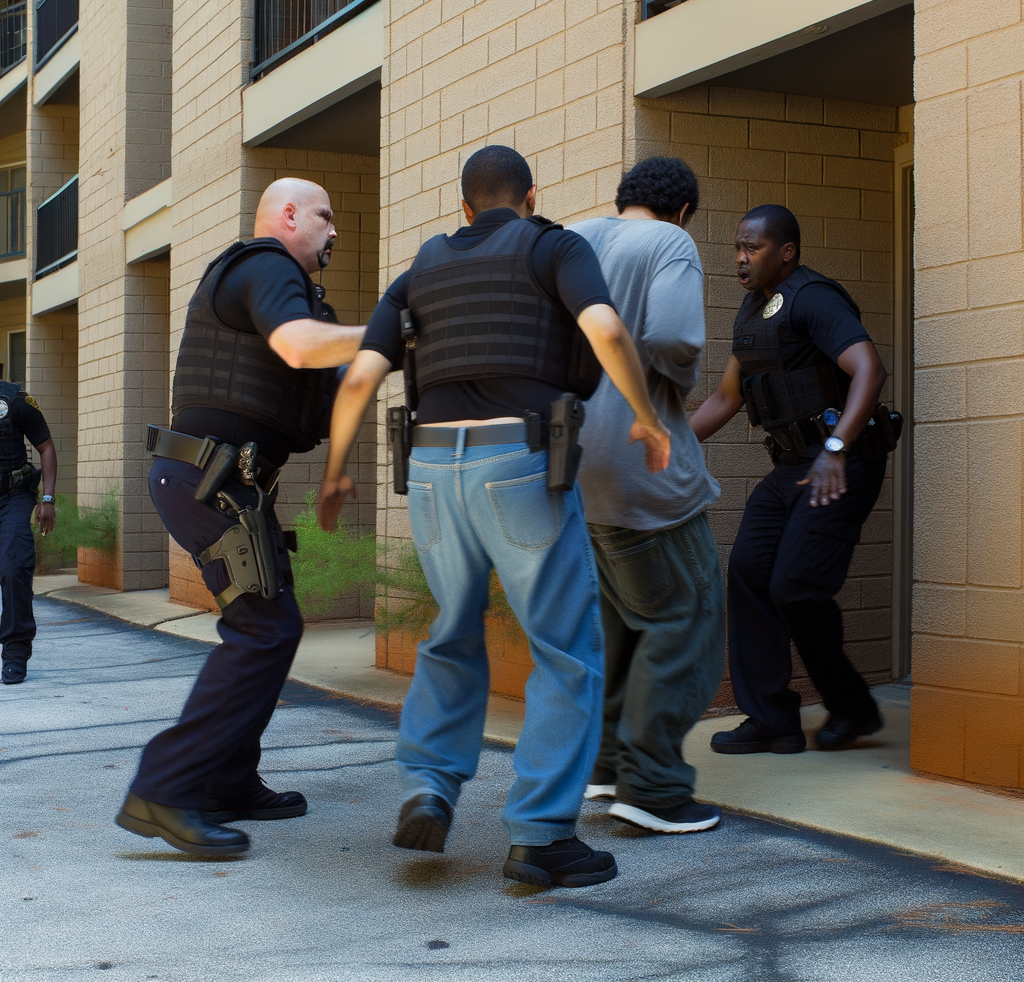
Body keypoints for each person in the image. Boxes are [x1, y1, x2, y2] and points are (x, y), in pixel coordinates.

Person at [317, 145, 671, 888]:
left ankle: (430, 784)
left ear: (465, 208)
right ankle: (541, 835)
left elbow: (360, 377)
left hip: (431, 470)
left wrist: (335, 470)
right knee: (565, 650)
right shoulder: (555, 246)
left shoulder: (422, 267)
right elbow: (604, 329)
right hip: (519, 465)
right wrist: (645, 417)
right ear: (531, 196)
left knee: (451, 630)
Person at [116, 178, 365, 856]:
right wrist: (388, 330)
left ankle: (229, 780)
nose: (334, 231)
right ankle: (162, 789)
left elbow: (341, 381)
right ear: (286, 215)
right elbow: (299, 345)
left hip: (230, 484)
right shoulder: (263, 265)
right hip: (206, 478)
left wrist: (339, 467)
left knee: (269, 626)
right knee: (263, 627)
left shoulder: (303, 296)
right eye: (324, 215)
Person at [689, 204, 891, 755]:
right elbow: (728, 397)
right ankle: (772, 720)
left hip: (841, 463)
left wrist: (834, 449)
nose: (740, 257)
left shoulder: (814, 297)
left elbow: (869, 368)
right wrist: (665, 442)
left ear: (787, 251)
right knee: (750, 570)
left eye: (751, 247)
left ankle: (852, 707)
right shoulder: (752, 312)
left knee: (795, 585)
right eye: (737, 246)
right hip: (791, 468)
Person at [568, 157, 725, 834]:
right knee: (685, 614)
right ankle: (655, 787)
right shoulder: (671, 243)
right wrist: (676, 386)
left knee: (621, 620)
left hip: (573, 466)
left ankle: (606, 769)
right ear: (684, 210)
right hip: (642, 460)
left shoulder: (575, 238)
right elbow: (674, 336)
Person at [0, 380, 57, 685]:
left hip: (13, 497)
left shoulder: (16, 400)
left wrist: (47, 498)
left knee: (14, 567)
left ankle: (15, 651)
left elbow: (46, 447)